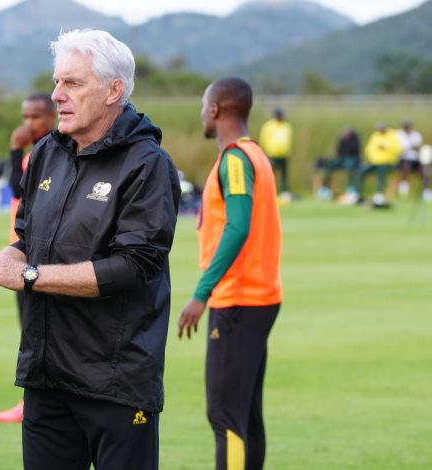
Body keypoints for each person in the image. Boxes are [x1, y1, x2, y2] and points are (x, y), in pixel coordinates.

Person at [0, 29, 180, 469]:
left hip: (115, 382)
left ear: (113, 91)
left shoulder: (147, 164)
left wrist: (27, 277)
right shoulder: (47, 151)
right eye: (57, 81)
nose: (56, 95)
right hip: (46, 378)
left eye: (73, 83)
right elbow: (27, 240)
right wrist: (0, 261)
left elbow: (133, 267)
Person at [178, 77, 283, 470]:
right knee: (246, 414)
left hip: (238, 299)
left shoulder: (236, 159)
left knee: (225, 417)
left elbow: (237, 227)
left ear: (216, 109)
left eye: (204, 105)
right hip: (258, 297)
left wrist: (202, 293)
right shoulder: (254, 154)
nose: (202, 113)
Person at [0, 92, 57, 424]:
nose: (28, 123)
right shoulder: (35, 154)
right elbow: (14, 191)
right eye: (25, 116)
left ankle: (37, 404)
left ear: (52, 116)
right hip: (20, 253)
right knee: (30, 331)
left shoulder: (52, 153)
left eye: (35, 117)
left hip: (40, 257)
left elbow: (20, 190)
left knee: (40, 331)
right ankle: (31, 400)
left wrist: (15, 149)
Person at [356, 123, 402, 207]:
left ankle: (379, 194)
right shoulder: (375, 135)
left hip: (387, 162)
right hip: (373, 162)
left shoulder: (392, 135)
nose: (379, 130)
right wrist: (369, 156)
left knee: (381, 174)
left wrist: (386, 147)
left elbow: (398, 149)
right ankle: (358, 193)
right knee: (361, 172)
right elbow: (369, 148)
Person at [258, 107, 292, 202]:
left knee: (284, 175)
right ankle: (272, 194)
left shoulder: (286, 126)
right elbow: (263, 140)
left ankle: (284, 194)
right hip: (272, 154)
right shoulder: (268, 126)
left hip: (284, 154)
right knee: (271, 175)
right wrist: (264, 153)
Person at [317, 127, 361, 200]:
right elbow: (339, 150)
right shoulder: (342, 139)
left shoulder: (355, 139)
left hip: (352, 158)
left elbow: (353, 150)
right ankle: (325, 187)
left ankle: (351, 188)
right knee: (329, 165)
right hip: (341, 158)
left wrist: (346, 147)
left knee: (351, 168)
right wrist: (343, 142)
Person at [396, 119, 424, 198]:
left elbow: (417, 146)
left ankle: (424, 191)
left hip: (414, 158)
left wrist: (408, 147)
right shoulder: (398, 134)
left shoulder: (416, 134)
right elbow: (399, 147)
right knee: (405, 169)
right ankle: (404, 191)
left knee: (423, 172)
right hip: (403, 157)